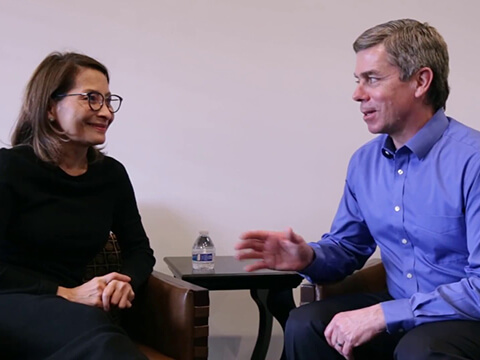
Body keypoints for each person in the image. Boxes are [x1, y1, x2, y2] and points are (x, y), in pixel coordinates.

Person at [236, 19, 480, 360]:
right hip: (402, 311)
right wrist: (307, 257)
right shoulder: (364, 163)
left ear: (421, 81)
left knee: (421, 348)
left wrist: (384, 314)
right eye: (358, 81)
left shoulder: (473, 161)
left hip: (465, 320)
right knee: (306, 324)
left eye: (372, 79)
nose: (357, 94)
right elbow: (348, 247)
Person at [0, 52, 155, 359]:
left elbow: (139, 250)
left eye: (109, 101)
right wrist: (63, 293)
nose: (107, 112)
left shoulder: (110, 175)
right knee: (102, 340)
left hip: (72, 310)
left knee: (99, 335)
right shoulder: (9, 168)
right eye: (91, 98)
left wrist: (124, 282)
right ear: (49, 109)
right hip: (10, 300)